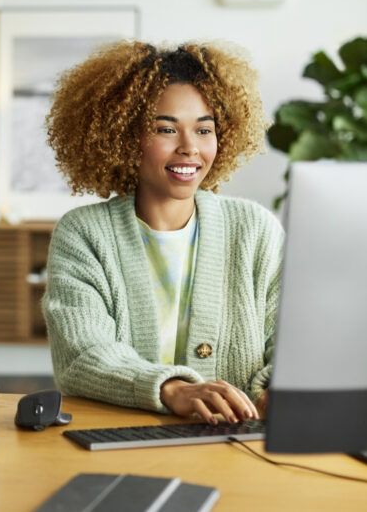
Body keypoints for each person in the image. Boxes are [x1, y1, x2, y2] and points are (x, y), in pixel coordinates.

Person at [42, 40, 283, 425]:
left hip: (240, 446)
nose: (190, 148)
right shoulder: (84, 234)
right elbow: (82, 354)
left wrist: (280, 390)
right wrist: (174, 389)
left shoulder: (255, 230)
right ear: (122, 137)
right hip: (120, 440)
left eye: (204, 130)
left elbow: (288, 342)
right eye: (166, 129)